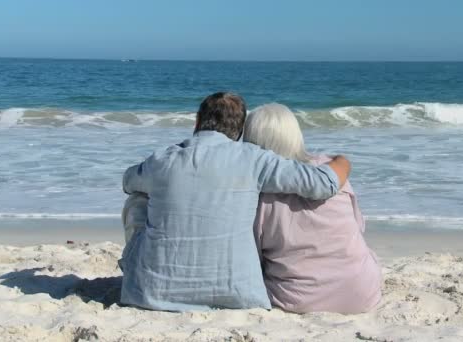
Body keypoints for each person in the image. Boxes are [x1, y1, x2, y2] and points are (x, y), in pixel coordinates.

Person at [119, 92, 352, 311]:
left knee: (139, 198)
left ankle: (146, 272)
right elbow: (323, 184)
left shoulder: (162, 159)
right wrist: (342, 161)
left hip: (151, 295)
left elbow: (128, 181)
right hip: (238, 295)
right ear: (239, 131)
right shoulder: (254, 159)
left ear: (197, 120)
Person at [244, 103, 382, 314]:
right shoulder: (332, 173)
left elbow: (254, 257)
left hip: (297, 300)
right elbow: (358, 226)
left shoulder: (258, 196)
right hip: (362, 293)